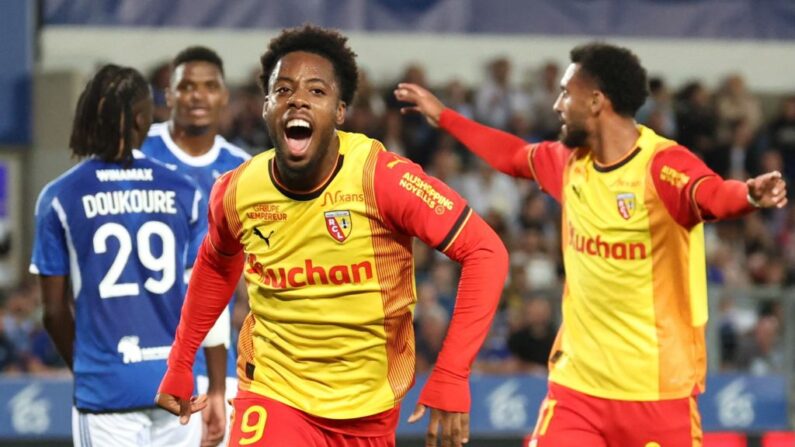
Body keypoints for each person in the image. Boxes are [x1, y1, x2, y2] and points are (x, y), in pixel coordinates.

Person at [394, 42, 787, 447]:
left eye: (566, 93)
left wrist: (750, 196)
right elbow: (512, 155)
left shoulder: (661, 165)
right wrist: (445, 117)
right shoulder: (568, 163)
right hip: (577, 390)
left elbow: (711, 195)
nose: (557, 105)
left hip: (658, 394)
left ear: (596, 101)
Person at [155, 25, 509, 447]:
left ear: (340, 112)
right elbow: (216, 264)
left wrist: (452, 373)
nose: (298, 99)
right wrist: (180, 360)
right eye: (282, 90)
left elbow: (486, 251)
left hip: (369, 411)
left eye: (316, 92)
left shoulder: (381, 178)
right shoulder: (237, 190)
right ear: (266, 106)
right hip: (273, 395)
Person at [30, 64, 209, 446]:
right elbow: (201, 298)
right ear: (143, 118)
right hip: (176, 385)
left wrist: (88, 370)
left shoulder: (60, 196)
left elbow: (54, 312)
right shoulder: (186, 190)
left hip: (107, 388)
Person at [140, 45, 250, 447]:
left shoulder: (244, 169)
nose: (197, 95)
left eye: (209, 86)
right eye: (186, 86)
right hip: (138, 346)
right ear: (168, 95)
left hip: (211, 351)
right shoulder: (136, 154)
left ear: (224, 96)